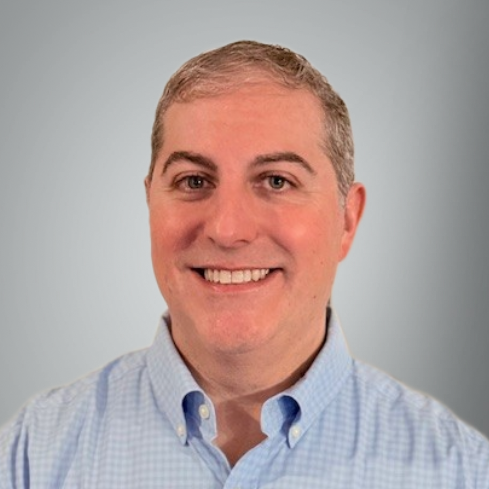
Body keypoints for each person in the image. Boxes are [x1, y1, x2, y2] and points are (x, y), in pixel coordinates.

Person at [1, 40, 488, 488]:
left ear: (347, 219)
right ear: (150, 204)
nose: (227, 229)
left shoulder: (457, 470)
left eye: (276, 181)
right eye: (194, 181)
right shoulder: (34, 455)